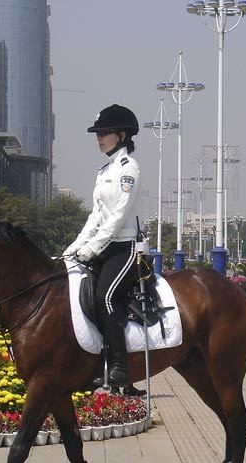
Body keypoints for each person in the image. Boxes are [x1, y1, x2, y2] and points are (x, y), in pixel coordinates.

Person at [65, 104, 141, 388]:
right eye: (97, 133)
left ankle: (119, 366)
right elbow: (95, 216)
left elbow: (118, 218)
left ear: (121, 135)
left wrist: (92, 248)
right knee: (77, 294)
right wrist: (73, 248)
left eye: (104, 132)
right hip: (101, 248)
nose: (99, 137)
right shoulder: (104, 170)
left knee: (104, 298)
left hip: (123, 250)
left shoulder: (128, 169)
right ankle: (94, 360)